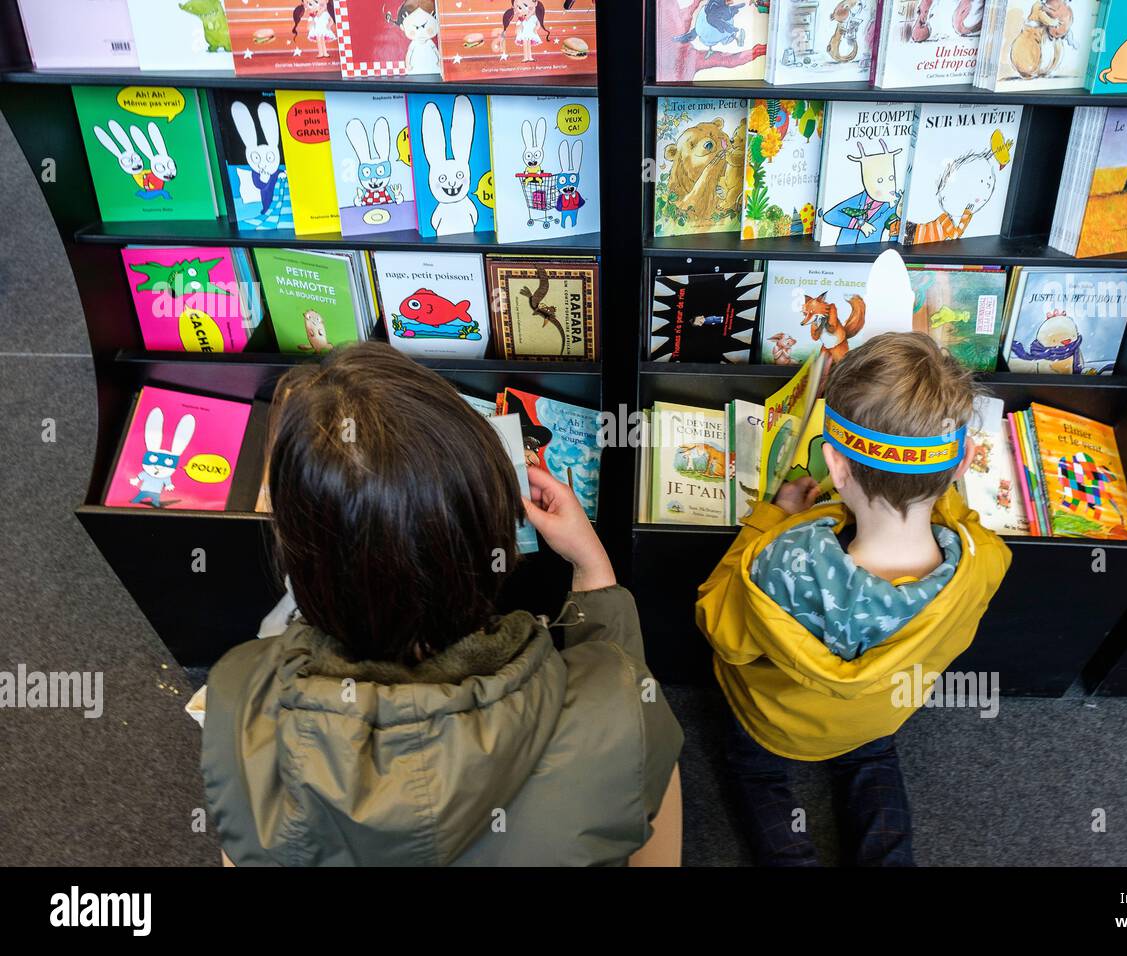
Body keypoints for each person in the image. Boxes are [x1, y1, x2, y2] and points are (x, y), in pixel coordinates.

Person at [201, 343, 683, 866]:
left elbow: (249, 851)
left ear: (299, 550)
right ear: (492, 532)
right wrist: (595, 576)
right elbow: (640, 809)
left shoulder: (238, 696)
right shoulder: (621, 715)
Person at [696, 333, 1012, 866]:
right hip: (875, 717)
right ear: (963, 465)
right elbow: (957, 514)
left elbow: (720, 626)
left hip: (773, 720)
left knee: (754, 771)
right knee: (872, 761)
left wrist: (772, 519)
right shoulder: (985, 558)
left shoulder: (788, 560)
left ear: (834, 467)